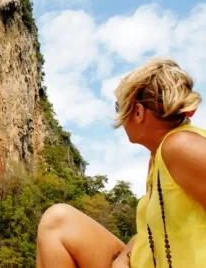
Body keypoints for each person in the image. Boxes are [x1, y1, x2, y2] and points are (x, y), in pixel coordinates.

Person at [35, 57, 206, 268]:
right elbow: (152, 232)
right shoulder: (159, 157)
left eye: (119, 106)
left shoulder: (180, 146)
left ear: (137, 112)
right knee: (58, 222)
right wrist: (125, 256)